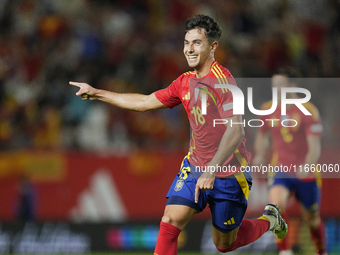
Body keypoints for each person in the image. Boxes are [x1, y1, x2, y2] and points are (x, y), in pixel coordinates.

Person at [70, 14, 287, 254]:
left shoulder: (225, 82)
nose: (189, 49)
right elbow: (144, 102)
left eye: (197, 43)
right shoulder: (184, 82)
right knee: (170, 221)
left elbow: (236, 130)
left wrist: (212, 169)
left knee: (225, 244)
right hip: (195, 167)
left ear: (213, 46)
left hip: (229, 173)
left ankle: (270, 220)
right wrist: (97, 93)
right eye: (186, 42)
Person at [253, 67, 327, 255]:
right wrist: (260, 155)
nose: (275, 89)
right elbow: (263, 136)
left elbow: (315, 146)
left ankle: (321, 251)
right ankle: (285, 251)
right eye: (273, 85)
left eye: (280, 85)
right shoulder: (266, 109)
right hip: (280, 169)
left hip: (305, 171)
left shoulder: (308, 111)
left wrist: (308, 164)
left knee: (312, 219)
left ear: (292, 86)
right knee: (275, 207)